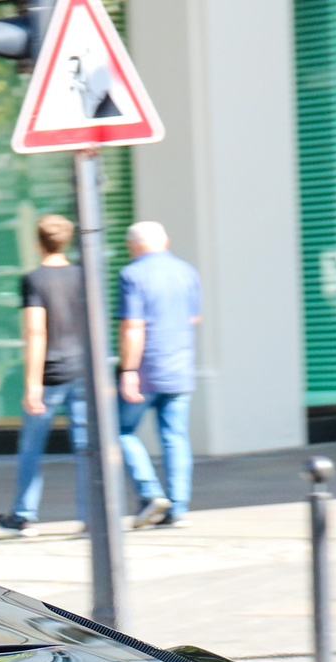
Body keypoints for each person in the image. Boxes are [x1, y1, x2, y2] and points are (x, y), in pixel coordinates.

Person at [0, 215, 96, 536]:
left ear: (37, 242)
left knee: (32, 446)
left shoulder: (34, 280)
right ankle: (91, 516)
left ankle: (24, 515)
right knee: (85, 447)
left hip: (50, 373)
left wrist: (31, 384)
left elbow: (36, 331)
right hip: (81, 371)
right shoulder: (83, 277)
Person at [116, 219, 201, 529]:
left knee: (120, 431)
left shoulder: (132, 274)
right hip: (180, 366)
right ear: (163, 241)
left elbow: (132, 326)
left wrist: (128, 370)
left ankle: (150, 493)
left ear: (134, 246)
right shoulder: (187, 271)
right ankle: (178, 507)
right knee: (175, 437)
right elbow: (194, 317)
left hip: (146, 367)